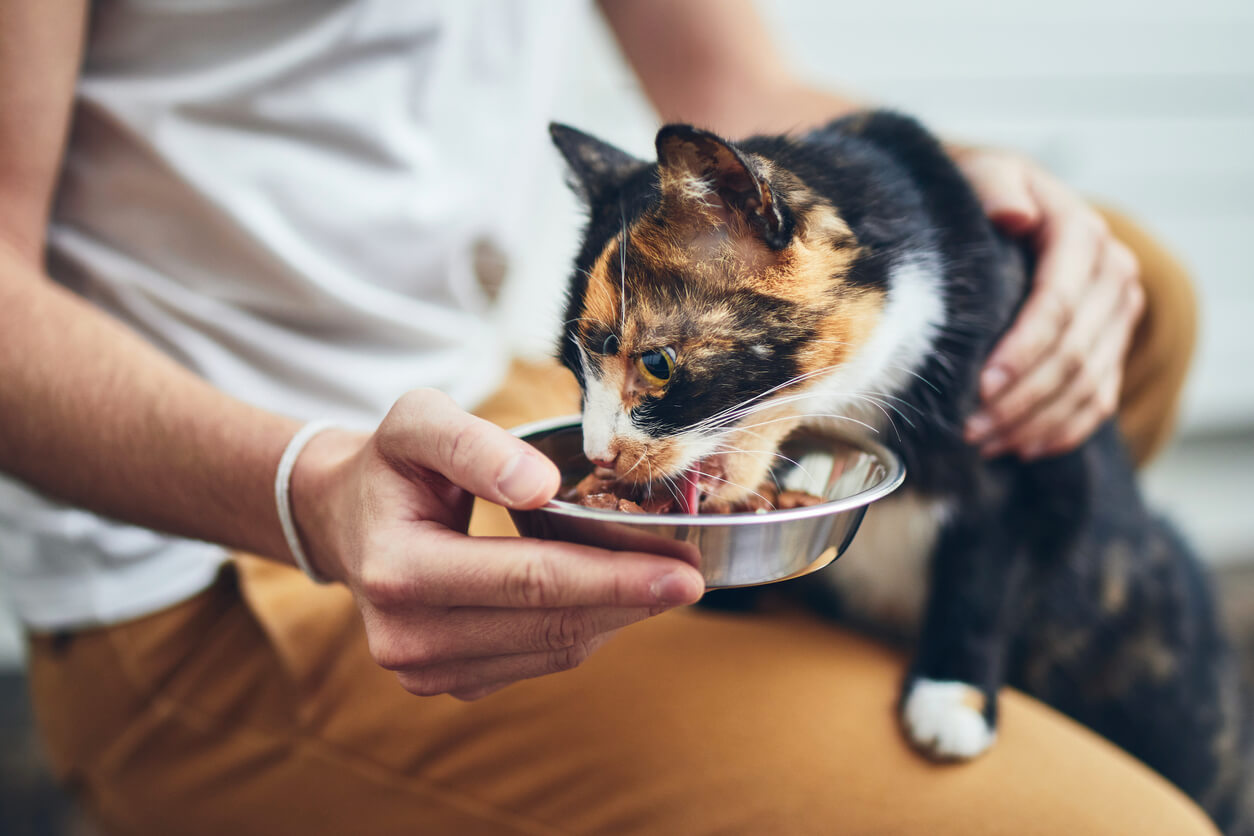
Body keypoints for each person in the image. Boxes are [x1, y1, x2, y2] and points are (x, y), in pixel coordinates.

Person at [5, 0, 1205, 833]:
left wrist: (979, 187)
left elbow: (734, 95)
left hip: (481, 394)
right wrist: (307, 495)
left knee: (1135, 288)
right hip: (224, 541)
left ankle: (909, 629)